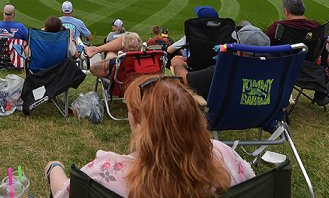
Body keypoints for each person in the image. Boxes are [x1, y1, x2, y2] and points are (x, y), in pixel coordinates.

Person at [45, 75, 254, 198]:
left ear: (138, 123)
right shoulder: (225, 156)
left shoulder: (105, 173)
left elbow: (64, 193)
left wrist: (54, 168)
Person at [171, 24, 270, 97]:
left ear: (239, 49)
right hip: (260, 116)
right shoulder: (273, 70)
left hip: (226, 119)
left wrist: (178, 64)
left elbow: (185, 80)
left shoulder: (226, 69)